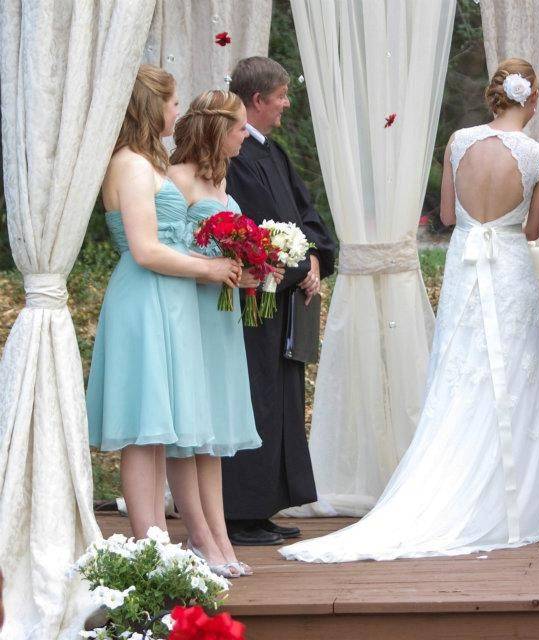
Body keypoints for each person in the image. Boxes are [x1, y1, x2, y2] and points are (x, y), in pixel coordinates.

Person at [280, 58, 539, 563]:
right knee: (514, 375)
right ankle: (512, 505)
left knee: (460, 372)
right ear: (533, 98)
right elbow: (530, 231)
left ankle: (453, 482)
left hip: (465, 263)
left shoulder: (457, 142)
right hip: (507, 265)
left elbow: (447, 216)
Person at [86, 65, 240, 541]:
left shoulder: (147, 162)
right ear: (152, 106)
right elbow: (146, 249)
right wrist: (209, 268)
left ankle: (157, 541)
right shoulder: (130, 164)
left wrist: (226, 261)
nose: (179, 110)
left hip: (168, 297)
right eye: (172, 102)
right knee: (144, 425)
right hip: (144, 296)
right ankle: (147, 543)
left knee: (160, 429)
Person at [221, 57, 336, 546]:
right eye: (281, 96)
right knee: (255, 395)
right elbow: (254, 227)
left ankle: (263, 505)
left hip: (285, 296)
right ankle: (239, 511)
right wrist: (292, 265)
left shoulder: (276, 153)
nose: (287, 104)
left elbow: (305, 215)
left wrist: (312, 260)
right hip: (254, 299)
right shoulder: (237, 158)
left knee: (281, 398)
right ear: (256, 101)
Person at [166, 90, 266, 577]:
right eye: (240, 127)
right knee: (189, 430)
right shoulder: (177, 179)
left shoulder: (221, 181)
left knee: (213, 430)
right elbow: (168, 252)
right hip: (191, 311)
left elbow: (228, 249)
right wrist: (215, 266)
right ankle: (201, 536)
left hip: (221, 315)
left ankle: (217, 532)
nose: (246, 135)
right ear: (217, 128)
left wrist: (249, 269)